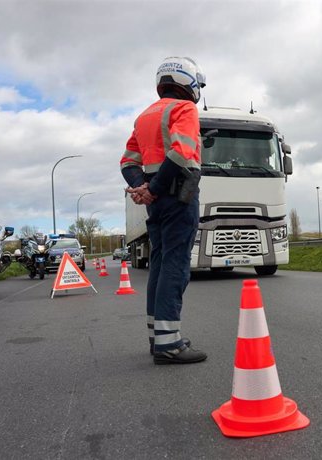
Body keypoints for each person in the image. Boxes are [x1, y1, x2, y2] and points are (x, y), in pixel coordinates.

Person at [119, 57, 207, 364]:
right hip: (177, 196)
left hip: (156, 202)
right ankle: (170, 345)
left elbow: (128, 162)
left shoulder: (145, 116)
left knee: (158, 263)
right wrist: (154, 189)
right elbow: (182, 153)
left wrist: (144, 188)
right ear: (188, 81)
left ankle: (159, 338)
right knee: (176, 265)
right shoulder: (184, 109)